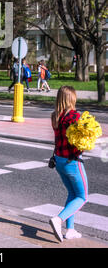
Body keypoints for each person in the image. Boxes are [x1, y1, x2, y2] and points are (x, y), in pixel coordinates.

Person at [49, 86, 88, 242]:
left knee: (72, 194)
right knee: (83, 197)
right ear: (71, 98)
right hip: (72, 161)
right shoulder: (74, 116)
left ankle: (70, 230)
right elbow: (80, 140)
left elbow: (59, 139)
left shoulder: (55, 116)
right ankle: (59, 219)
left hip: (59, 160)